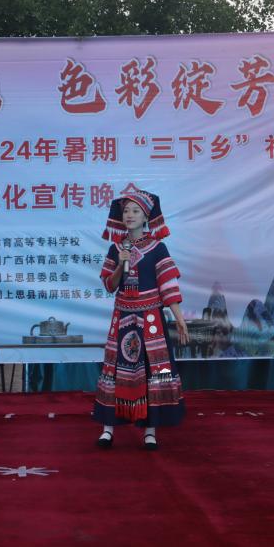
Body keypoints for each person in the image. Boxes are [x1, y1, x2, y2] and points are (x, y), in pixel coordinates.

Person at [94, 188, 189, 450]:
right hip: (123, 317)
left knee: (153, 371)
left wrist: (179, 318)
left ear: (146, 217)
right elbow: (109, 285)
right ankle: (107, 429)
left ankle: (150, 430)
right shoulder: (116, 248)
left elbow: (168, 286)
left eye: (135, 211)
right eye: (126, 211)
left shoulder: (158, 248)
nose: (130, 215)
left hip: (151, 319)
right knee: (115, 369)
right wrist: (120, 264)